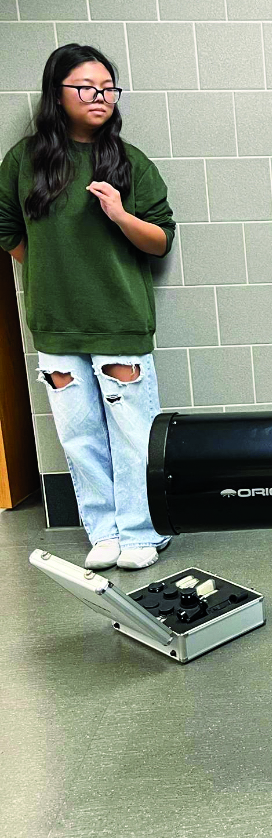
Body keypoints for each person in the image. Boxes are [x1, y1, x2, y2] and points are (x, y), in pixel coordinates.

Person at [0, 44, 177, 571]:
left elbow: (161, 240)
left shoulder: (130, 162)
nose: (100, 97)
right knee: (79, 435)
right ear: (58, 94)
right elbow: (8, 229)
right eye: (86, 87)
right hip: (55, 328)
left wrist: (120, 215)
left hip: (120, 322)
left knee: (133, 435)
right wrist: (50, 268)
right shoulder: (24, 161)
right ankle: (103, 530)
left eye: (108, 88)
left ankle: (142, 531)